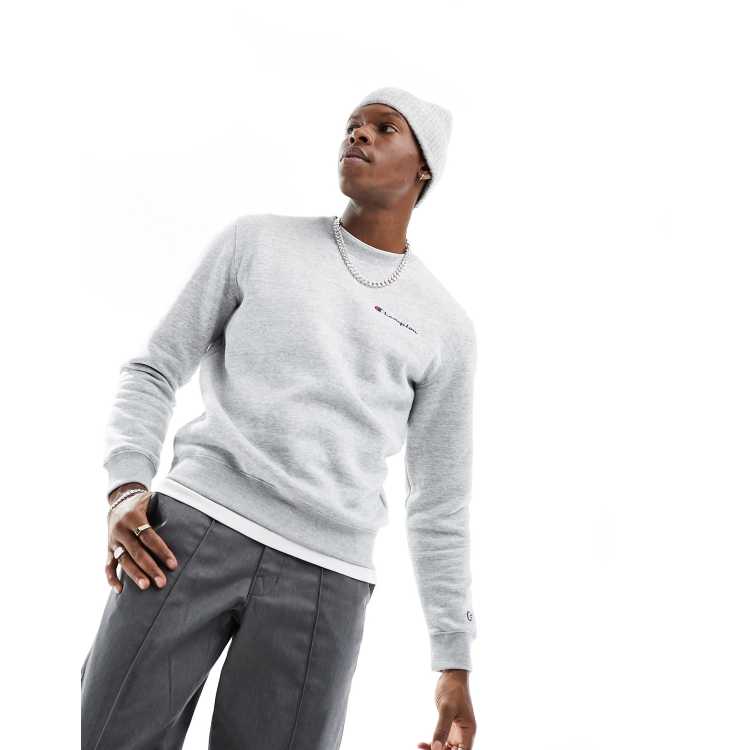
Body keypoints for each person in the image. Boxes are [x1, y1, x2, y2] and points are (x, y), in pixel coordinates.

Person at [81, 86, 478, 750]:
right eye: (353, 124)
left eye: (385, 128)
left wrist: (453, 661)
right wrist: (125, 486)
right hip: (186, 538)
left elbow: (440, 501)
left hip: (326, 580)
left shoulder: (446, 327)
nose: (359, 135)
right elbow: (153, 369)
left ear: (424, 168)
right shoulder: (257, 242)